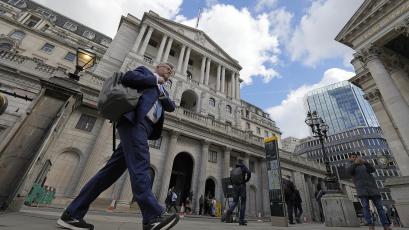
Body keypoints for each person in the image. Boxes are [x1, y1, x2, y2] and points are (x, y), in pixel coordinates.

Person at [57, 63, 179, 230]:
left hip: (146, 127)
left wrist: (161, 89)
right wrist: (155, 79)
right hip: (135, 121)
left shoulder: (161, 89)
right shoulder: (145, 72)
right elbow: (128, 78)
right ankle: (153, 216)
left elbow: (171, 107)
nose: (170, 71)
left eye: (171, 71)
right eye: (167, 68)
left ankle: (72, 214)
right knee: (141, 163)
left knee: (109, 173)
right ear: (157, 67)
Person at [347, 153, 392, 230]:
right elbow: (349, 171)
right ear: (350, 159)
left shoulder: (365, 164)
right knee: (365, 208)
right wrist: (355, 163)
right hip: (362, 189)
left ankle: (386, 225)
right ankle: (370, 225)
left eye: (356, 157)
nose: (355, 158)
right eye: (353, 157)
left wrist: (365, 162)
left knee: (380, 208)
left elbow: (372, 170)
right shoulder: (350, 165)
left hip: (373, 188)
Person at [222, 160, 251, 226]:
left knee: (235, 202)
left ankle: (228, 212)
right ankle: (241, 221)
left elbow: (231, 179)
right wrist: (246, 180)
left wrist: (233, 184)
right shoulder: (243, 167)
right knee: (243, 203)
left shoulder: (233, 170)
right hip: (242, 185)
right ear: (241, 163)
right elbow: (249, 172)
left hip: (235, 186)